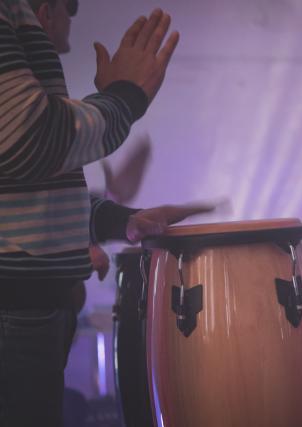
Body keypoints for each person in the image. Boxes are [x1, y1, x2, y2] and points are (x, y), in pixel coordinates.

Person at [0, 0, 180, 425]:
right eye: (69, 7)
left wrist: (121, 221)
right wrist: (125, 96)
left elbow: (28, 186)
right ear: (46, 10)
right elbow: (33, 142)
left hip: (27, 316)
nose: (73, 17)